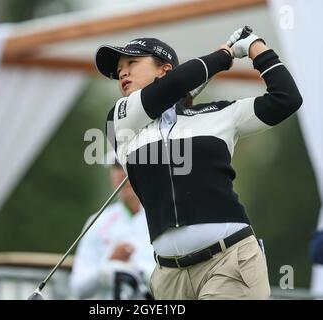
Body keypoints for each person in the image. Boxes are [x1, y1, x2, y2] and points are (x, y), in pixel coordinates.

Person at [96, 28, 303, 299]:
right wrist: (224, 56)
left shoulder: (220, 114)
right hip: (169, 278)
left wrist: (255, 47)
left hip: (230, 262)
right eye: (118, 70)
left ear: (164, 69)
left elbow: (286, 99)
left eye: (132, 63)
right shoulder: (119, 122)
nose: (122, 73)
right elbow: (173, 86)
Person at [69, 155, 155, 299]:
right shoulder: (97, 221)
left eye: (129, 165)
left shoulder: (165, 218)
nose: (122, 173)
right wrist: (108, 265)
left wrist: (138, 271)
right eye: (116, 166)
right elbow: (77, 288)